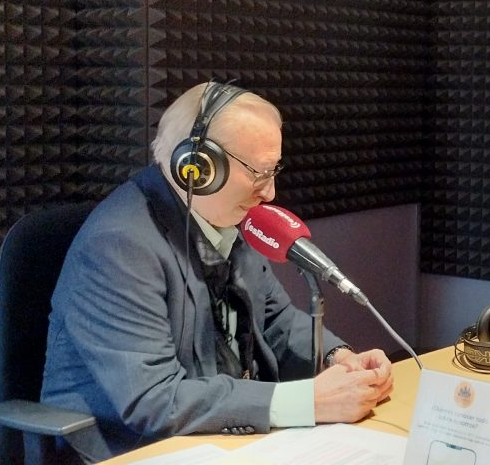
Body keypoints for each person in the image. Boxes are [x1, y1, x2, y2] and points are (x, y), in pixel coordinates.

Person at [41, 82, 394, 461]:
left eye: (274, 170)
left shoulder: (225, 218)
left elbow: (275, 320)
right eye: (259, 172)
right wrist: (305, 401)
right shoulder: (118, 246)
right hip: (130, 450)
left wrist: (337, 358)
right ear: (199, 167)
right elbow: (154, 400)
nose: (271, 192)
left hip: (213, 440)